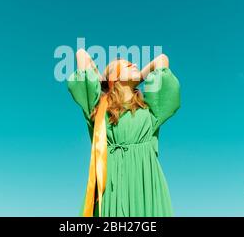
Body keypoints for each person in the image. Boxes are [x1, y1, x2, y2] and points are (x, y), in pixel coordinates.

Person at [67, 48, 181, 217]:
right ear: (113, 78)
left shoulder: (150, 111)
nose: (134, 64)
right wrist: (103, 81)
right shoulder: (98, 110)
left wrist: (139, 76)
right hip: (109, 185)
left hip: (143, 184)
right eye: (128, 65)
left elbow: (162, 60)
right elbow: (81, 55)